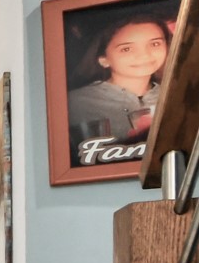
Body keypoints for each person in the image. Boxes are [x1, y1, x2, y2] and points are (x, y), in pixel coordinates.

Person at [68, 16, 171, 164]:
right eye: (127, 49)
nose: (144, 55)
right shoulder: (75, 104)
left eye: (155, 44)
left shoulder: (177, 99)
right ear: (103, 59)